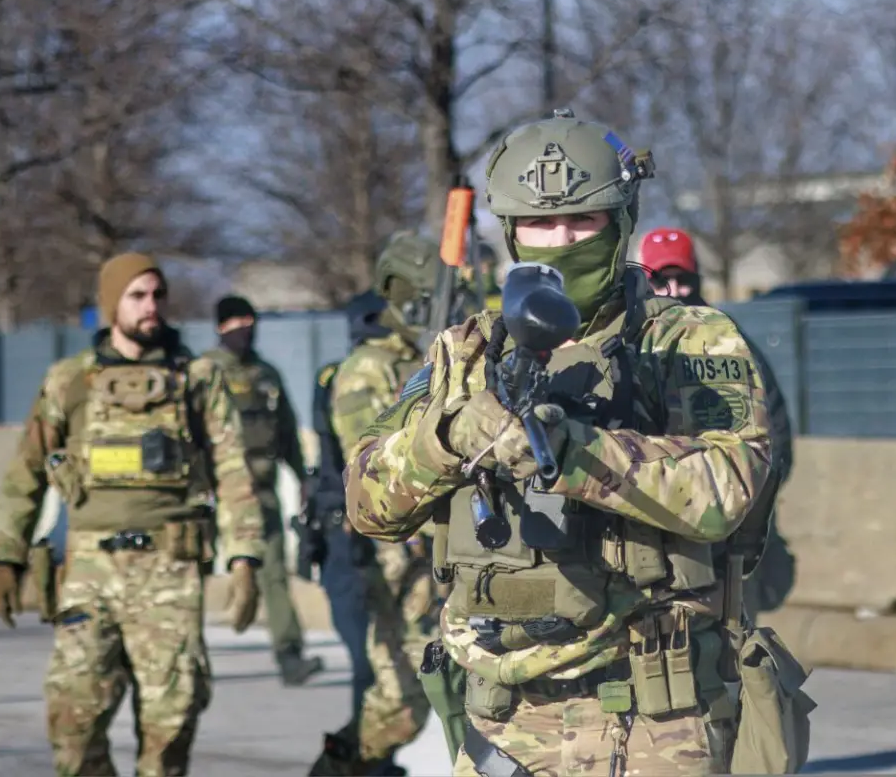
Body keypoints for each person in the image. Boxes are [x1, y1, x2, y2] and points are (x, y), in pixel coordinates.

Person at [344, 110, 802, 775]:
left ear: (620, 223)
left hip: (649, 722)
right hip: (502, 723)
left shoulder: (689, 340)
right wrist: (447, 438)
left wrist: (572, 451)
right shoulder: (463, 352)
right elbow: (367, 504)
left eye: (581, 222)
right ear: (511, 233)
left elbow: (725, 489)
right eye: (537, 225)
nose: (558, 242)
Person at [0, 252, 265, 776]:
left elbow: (232, 473)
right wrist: (6, 558)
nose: (150, 307)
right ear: (112, 303)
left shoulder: (198, 379)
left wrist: (246, 557)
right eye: (137, 296)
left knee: (171, 724)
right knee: (73, 720)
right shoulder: (69, 382)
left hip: (171, 570)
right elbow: (25, 475)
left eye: (158, 295)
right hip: (90, 573)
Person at [308, 234, 449, 776]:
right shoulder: (369, 369)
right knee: (401, 700)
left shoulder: (428, 357)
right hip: (395, 559)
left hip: (429, 560)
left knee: (423, 694)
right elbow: (369, 469)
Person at [637, 226, 797, 613]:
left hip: (724, 529)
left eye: (682, 279)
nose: (674, 290)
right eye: (661, 280)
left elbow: (774, 439)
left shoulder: (728, 342)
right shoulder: (631, 344)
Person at [203, 295, 324, 686]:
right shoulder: (206, 372)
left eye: (249, 319)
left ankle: (290, 657)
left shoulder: (266, 374)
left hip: (261, 492)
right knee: (193, 571)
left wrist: (302, 475)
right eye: (235, 321)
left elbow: (285, 430)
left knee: (273, 573)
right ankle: (185, 658)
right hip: (213, 492)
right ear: (220, 327)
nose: (244, 327)